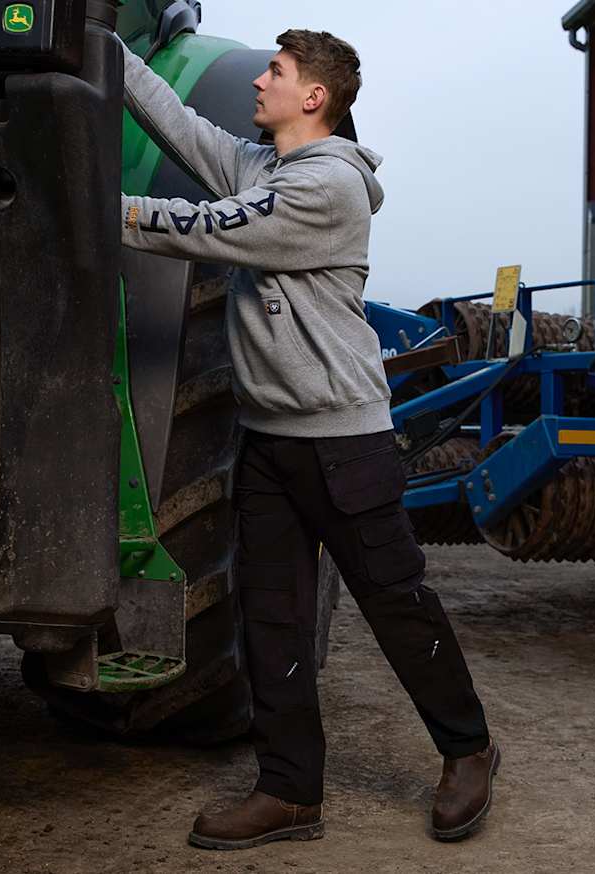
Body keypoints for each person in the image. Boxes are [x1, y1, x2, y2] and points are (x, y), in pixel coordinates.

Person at [118, 27, 499, 850]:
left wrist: (99, 209)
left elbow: (205, 225)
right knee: (273, 618)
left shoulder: (326, 188)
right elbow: (180, 127)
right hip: (268, 439)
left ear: (314, 98)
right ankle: (290, 791)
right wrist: (103, 47)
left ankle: (469, 749)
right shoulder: (265, 167)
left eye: (277, 72)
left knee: (396, 603)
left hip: (342, 443)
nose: (259, 80)